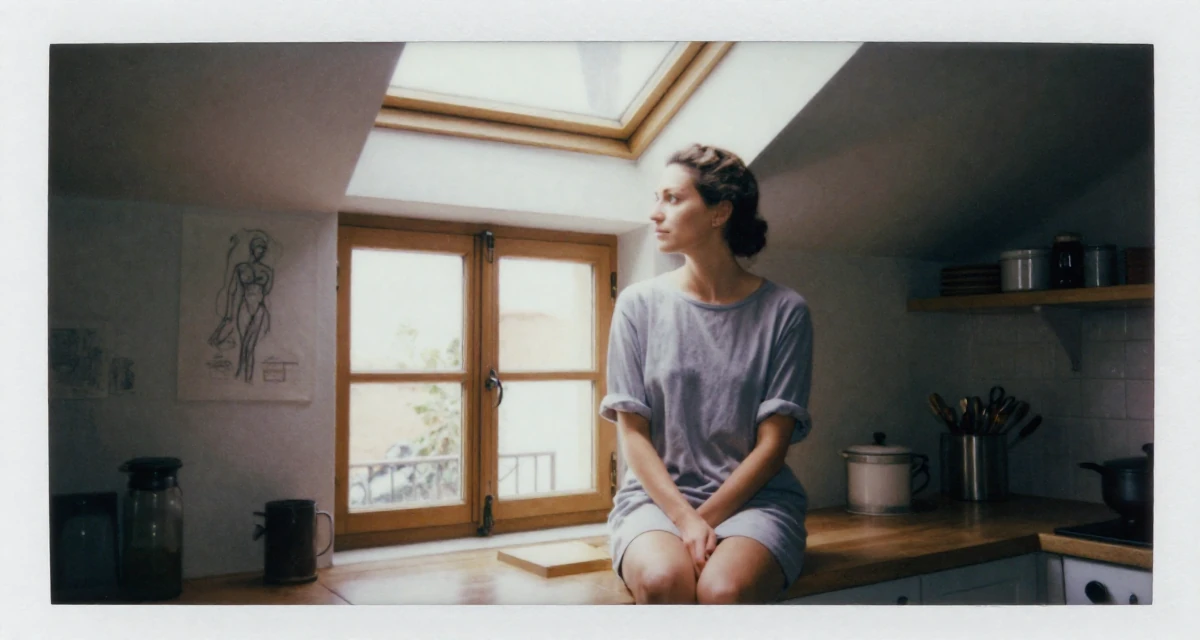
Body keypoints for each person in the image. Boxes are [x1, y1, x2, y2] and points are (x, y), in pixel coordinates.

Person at [600, 144, 814, 604]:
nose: (655, 214)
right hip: (655, 503)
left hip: (757, 501)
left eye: (673, 199)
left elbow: (773, 445)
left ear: (720, 213)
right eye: (656, 198)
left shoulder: (785, 312)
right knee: (662, 582)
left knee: (724, 590)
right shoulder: (637, 305)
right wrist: (685, 519)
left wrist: (705, 519)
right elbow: (632, 434)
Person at [208, 233, 274, 383]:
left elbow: (267, 291)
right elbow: (233, 291)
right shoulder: (241, 268)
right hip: (244, 307)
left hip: (259, 308)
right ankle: (241, 375)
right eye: (259, 248)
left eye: (263, 249)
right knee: (244, 342)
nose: (261, 252)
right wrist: (229, 314)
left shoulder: (267, 271)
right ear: (252, 249)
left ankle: (246, 377)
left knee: (250, 346)